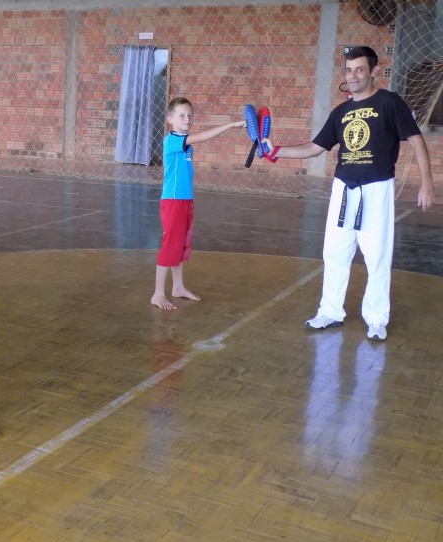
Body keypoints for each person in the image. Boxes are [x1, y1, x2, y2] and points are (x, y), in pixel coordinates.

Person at [262, 46, 436, 341]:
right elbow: (314, 148)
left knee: (376, 256)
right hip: (343, 190)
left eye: (359, 69)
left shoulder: (389, 102)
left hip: (376, 189)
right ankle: (330, 311)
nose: (353, 75)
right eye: (349, 70)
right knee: (334, 252)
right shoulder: (341, 112)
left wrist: (427, 182)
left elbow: (416, 140)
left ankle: (376, 318)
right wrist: (276, 150)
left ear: (373, 72)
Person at [151, 98, 245, 310]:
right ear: (170, 119)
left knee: (180, 244)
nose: (187, 119)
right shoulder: (173, 141)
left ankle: (178, 287)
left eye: (190, 115)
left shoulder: (185, 143)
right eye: (182, 116)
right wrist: (231, 125)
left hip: (185, 200)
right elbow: (202, 137)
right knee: (170, 244)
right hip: (173, 201)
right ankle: (158, 294)